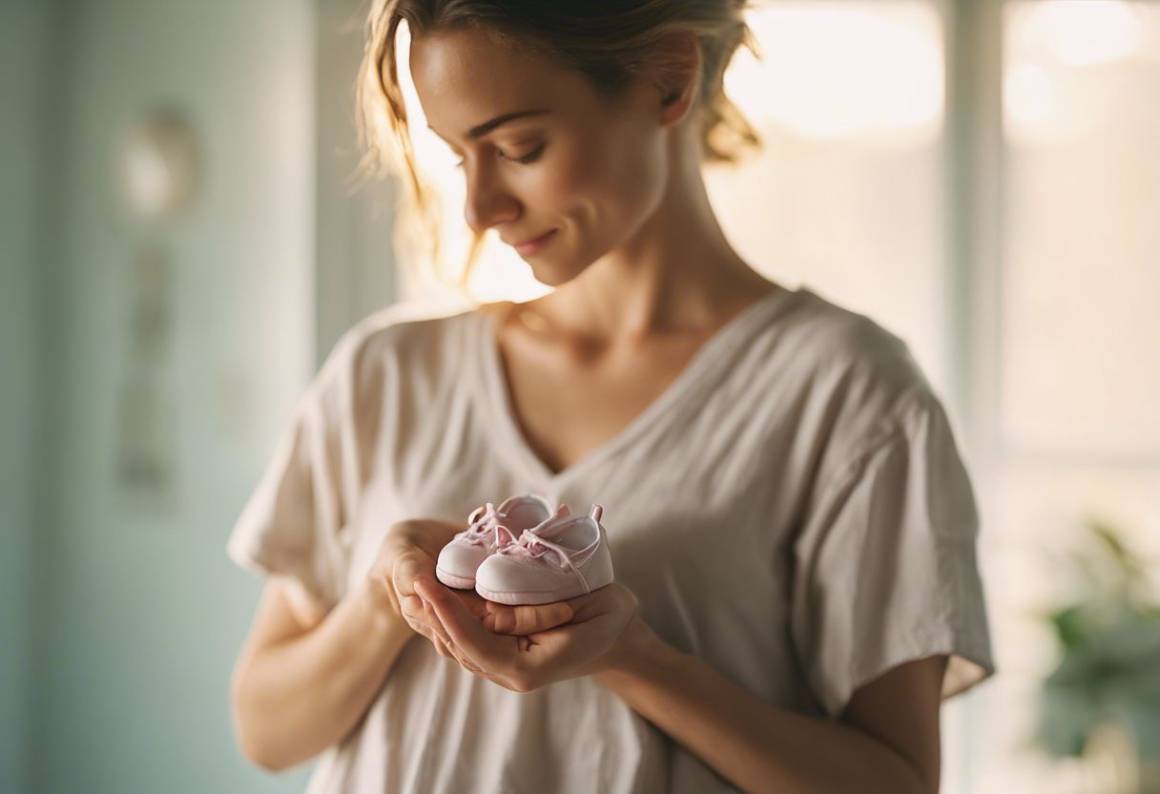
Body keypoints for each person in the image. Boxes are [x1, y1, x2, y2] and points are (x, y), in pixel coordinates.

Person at [226, 1, 996, 792]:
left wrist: (636, 659)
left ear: (667, 82)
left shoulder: (848, 397)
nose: (478, 209)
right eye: (460, 158)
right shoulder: (384, 375)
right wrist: (387, 604)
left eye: (520, 146)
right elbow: (266, 730)